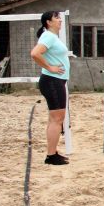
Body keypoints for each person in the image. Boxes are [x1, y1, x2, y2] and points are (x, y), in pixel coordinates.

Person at [30, 11, 71, 165]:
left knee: (54, 119)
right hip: (52, 81)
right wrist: (50, 67)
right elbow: (35, 53)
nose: (60, 20)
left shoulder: (52, 37)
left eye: (60, 17)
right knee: (57, 119)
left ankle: (52, 153)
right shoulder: (48, 36)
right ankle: (51, 156)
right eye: (57, 18)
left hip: (56, 81)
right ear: (48, 22)